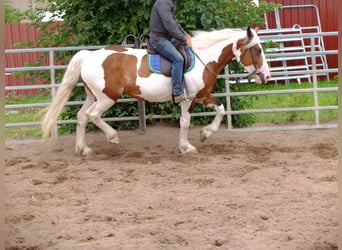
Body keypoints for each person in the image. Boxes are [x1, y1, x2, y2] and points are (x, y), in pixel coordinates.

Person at [149, 0, 192, 103]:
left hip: (166, 37)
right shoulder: (164, 2)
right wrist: (184, 39)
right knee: (178, 59)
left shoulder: (169, 2)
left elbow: (174, 22)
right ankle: (177, 92)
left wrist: (184, 34)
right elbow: (170, 25)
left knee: (186, 48)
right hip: (159, 40)